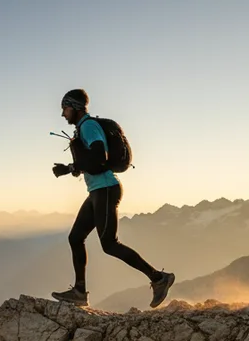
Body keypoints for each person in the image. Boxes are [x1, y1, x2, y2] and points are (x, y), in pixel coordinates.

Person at [50, 88, 175, 308]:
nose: (63, 114)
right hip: (97, 191)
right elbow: (93, 160)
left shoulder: (88, 126)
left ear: (75, 107)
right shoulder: (83, 128)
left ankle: (158, 278)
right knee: (75, 238)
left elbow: (99, 157)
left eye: (65, 108)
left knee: (109, 244)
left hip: (106, 189)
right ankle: (79, 292)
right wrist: (72, 168)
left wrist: (70, 167)